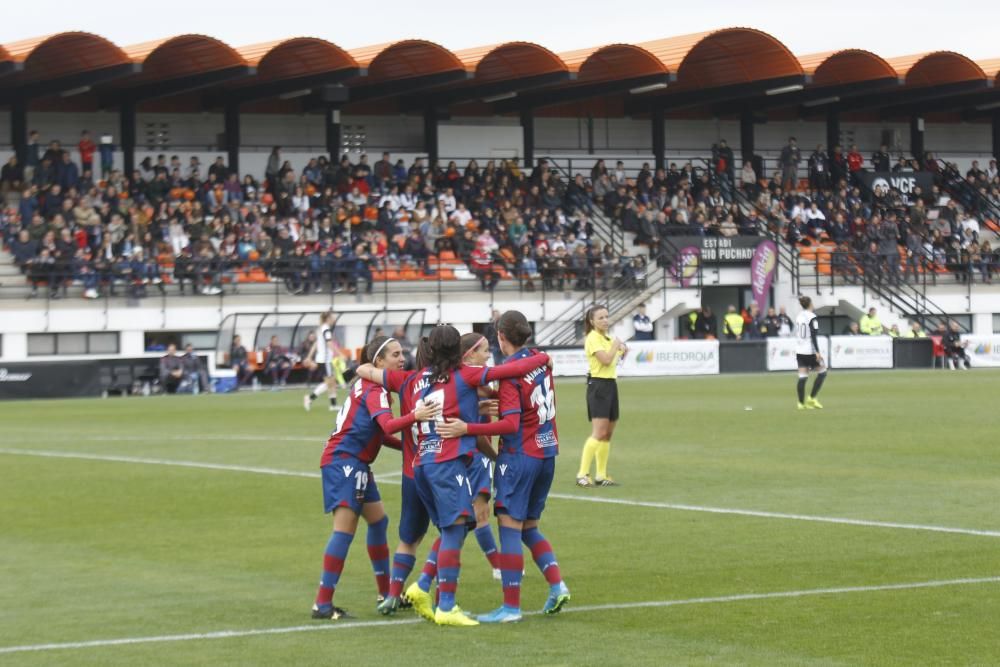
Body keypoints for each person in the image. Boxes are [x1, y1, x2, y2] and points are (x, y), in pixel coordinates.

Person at [355, 326, 550, 626]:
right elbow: (517, 368)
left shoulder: (409, 379)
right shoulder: (465, 375)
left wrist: (368, 365)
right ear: (457, 352)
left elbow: (366, 370)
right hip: (446, 464)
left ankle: (419, 589)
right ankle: (446, 605)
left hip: (419, 464)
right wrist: (543, 357)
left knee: (448, 530)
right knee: (456, 528)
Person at [310, 335, 441, 621]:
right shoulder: (375, 389)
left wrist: (410, 445)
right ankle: (322, 603)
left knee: (378, 521)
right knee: (344, 530)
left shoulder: (371, 386)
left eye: (402, 353)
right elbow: (388, 425)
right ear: (378, 361)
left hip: (354, 463)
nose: (402, 358)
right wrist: (416, 417)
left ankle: (386, 593)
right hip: (345, 462)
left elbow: (380, 435)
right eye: (394, 354)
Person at [472, 310, 570, 622]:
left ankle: (511, 607)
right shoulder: (540, 358)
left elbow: (510, 423)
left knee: (510, 527)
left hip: (519, 455)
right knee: (530, 527)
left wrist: (468, 429)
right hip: (547, 452)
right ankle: (557, 586)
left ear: (501, 338)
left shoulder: (510, 372)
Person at [577, 305, 626, 487]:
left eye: (607, 316)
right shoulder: (593, 338)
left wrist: (622, 349)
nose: (605, 320)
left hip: (611, 385)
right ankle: (582, 474)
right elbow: (605, 360)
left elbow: (615, 358)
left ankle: (601, 475)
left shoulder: (606, 338)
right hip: (598, 386)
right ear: (592, 321)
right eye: (600, 318)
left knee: (608, 434)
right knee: (599, 432)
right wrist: (615, 346)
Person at [304, 311, 347, 412]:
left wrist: (309, 357)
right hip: (325, 360)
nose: (333, 319)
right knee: (330, 383)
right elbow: (329, 344)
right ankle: (310, 398)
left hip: (322, 360)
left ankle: (332, 405)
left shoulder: (321, 329)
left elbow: (315, 344)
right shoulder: (326, 329)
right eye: (332, 317)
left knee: (331, 383)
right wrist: (340, 354)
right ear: (328, 318)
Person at [794, 296, 828, 410]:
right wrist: (817, 351)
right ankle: (812, 398)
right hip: (810, 351)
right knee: (822, 372)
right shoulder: (812, 317)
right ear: (810, 304)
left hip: (800, 350)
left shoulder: (799, 316)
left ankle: (800, 403)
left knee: (803, 376)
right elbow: (813, 334)